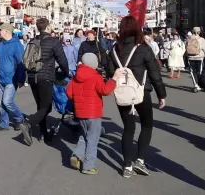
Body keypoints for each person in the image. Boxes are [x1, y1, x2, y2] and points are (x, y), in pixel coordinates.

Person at [106, 16, 166, 178]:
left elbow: (109, 72)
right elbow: (155, 73)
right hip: (142, 93)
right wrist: (161, 95)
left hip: (123, 94)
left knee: (128, 128)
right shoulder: (144, 48)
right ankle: (140, 160)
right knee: (146, 125)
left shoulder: (114, 50)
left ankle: (127, 166)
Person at [66, 53, 118, 175]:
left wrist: (78, 99)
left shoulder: (75, 77)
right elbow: (105, 91)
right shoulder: (96, 77)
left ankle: (77, 155)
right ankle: (88, 166)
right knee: (93, 140)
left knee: (84, 136)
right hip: (94, 113)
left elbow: (69, 92)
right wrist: (113, 80)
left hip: (80, 112)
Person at [21, 18, 70, 145]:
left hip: (32, 77)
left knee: (40, 106)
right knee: (47, 106)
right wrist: (65, 72)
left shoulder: (33, 40)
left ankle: (44, 133)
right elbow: (62, 60)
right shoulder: (53, 41)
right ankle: (29, 123)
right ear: (48, 27)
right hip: (45, 77)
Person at [185, 28, 205, 92]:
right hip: (200, 57)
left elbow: (186, 48)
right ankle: (201, 85)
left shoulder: (188, 39)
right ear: (199, 32)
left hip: (190, 57)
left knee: (193, 72)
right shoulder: (202, 39)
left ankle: (196, 85)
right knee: (200, 72)